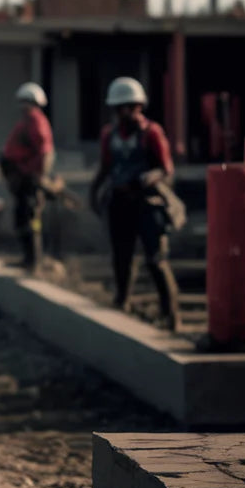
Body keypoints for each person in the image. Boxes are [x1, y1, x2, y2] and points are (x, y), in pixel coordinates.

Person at [89, 77, 181, 331]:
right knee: (122, 256)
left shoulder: (152, 133)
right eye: (119, 108)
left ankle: (170, 314)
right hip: (120, 203)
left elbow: (166, 168)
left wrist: (151, 177)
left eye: (129, 107)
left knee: (155, 259)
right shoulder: (110, 134)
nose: (124, 113)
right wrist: (95, 192)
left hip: (146, 202)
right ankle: (122, 301)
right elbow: (105, 167)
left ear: (138, 106)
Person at [0, 82, 55, 274]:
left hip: (30, 180)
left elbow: (45, 152)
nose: (23, 106)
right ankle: (28, 259)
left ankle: (34, 261)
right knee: (23, 218)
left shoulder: (35, 121)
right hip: (22, 178)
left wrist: (38, 176)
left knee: (32, 220)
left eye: (26, 102)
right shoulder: (27, 121)